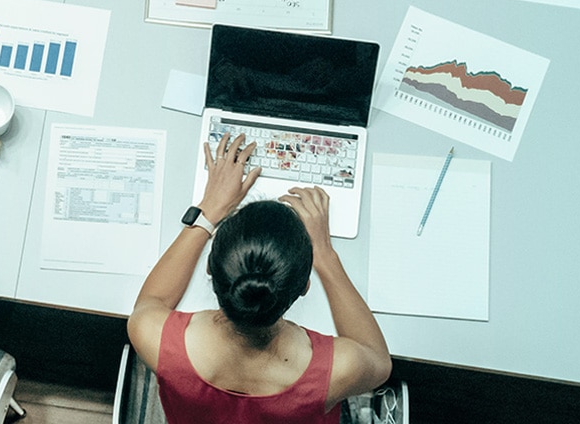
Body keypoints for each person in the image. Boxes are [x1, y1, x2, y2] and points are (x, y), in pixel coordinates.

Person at [127, 133, 391, 424]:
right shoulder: (336, 371)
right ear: (304, 286)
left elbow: (151, 301)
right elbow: (378, 361)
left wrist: (209, 211)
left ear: (210, 269)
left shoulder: (155, 338)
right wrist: (326, 257)